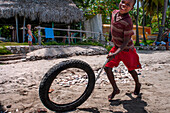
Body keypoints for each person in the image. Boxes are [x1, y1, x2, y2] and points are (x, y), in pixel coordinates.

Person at [104, 0, 142, 101]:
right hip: (117, 47)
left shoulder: (128, 22)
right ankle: (115, 89)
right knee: (107, 68)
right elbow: (112, 26)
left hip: (127, 50)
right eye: (123, 1)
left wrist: (114, 54)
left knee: (131, 69)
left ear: (131, 8)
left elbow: (125, 42)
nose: (124, 5)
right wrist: (111, 40)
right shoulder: (114, 13)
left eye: (128, 5)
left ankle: (137, 84)